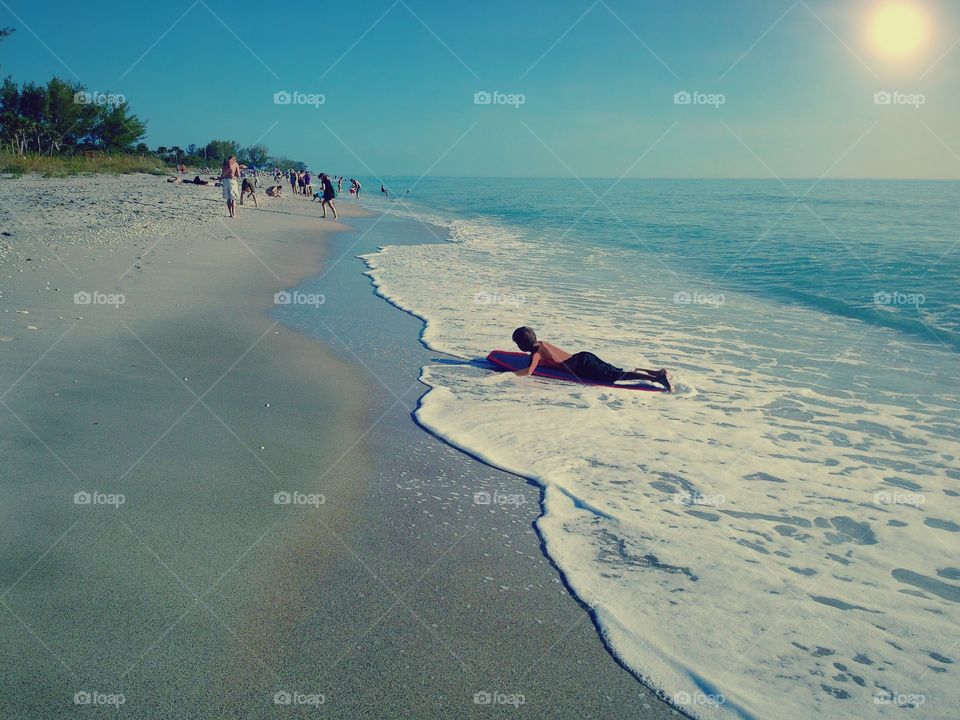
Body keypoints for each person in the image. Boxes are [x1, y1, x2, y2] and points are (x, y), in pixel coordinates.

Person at [510, 326, 671, 390]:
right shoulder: (542, 343)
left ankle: (658, 379)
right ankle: (655, 372)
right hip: (583, 356)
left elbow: (529, 372)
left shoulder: (536, 354)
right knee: (616, 370)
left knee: (616, 376)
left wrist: (510, 374)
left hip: (584, 367)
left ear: (522, 344)